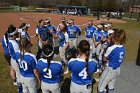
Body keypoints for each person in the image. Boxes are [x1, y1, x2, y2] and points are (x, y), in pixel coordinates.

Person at [98, 29, 126, 93]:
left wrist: (105, 52)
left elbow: (104, 59)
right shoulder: (122, 48)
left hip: (110, 70)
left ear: (115, 38)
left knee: (100, 88)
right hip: (117, 69)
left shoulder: (111, 48)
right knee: (111, 86)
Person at [8, 25, 22, 93]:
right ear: (13, 35)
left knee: (17, 73)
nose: (18, 34)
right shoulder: (14, 44)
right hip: (16, 61)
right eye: (16, 33)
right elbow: (18, 56)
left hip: (12, 59)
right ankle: (20, 89)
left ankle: (19, 88)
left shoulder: (10, 40)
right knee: (19, 75)